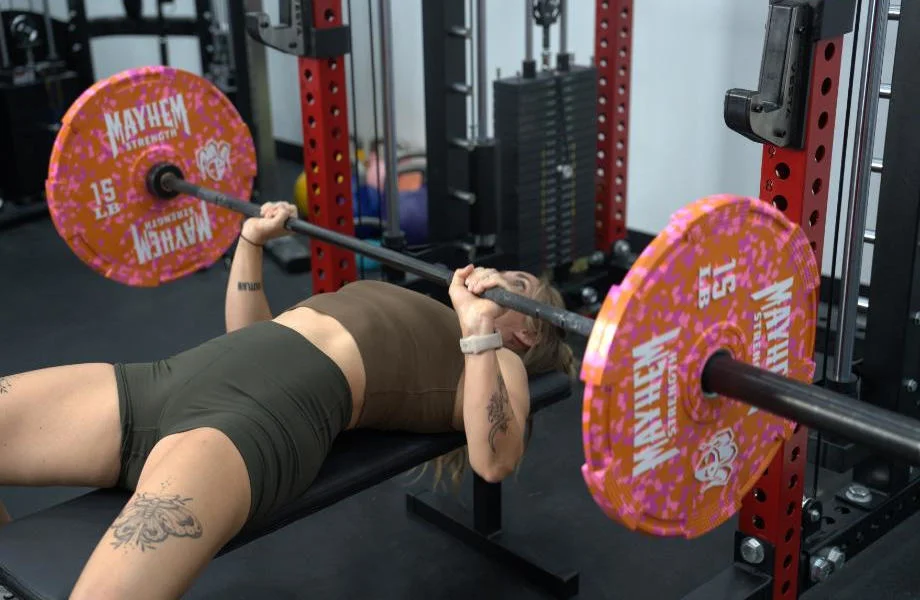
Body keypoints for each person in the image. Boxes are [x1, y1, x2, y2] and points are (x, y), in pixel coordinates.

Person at [0, 202, 576, 600]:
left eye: (518, 286)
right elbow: (252, 334)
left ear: (529, 333)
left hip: (251, 425)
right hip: (167, 380)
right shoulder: (430, 309)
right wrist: (250, 244)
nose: (498, 274)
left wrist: (480, 330)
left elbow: (495, 459)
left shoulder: (496, 357)